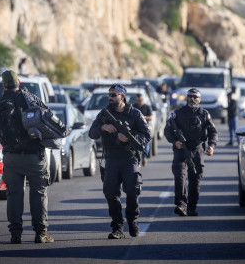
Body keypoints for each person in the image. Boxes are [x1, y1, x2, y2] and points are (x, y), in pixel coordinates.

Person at [0, 70, 54, 245]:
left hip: (11, 157)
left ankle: (15, 235)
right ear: (19, 82)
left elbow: (0, 129)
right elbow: (47, 118)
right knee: (39, 194)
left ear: (4, 85)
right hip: (34, 155)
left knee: (14, 195)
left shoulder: (0, 102)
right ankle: (41, 234)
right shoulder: (31, 98)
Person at [89, 84, 150, 239]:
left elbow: (147, 134)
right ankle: (117, 227)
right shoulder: (104, 114)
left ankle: (132, 220)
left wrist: (130, 139)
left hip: (129, 158)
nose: (110, 97)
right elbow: (91, 133)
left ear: (122, 97)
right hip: (111, 159)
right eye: (109, 94)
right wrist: (103, 127)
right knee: (111, 193)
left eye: (114, 95)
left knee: (132, 191)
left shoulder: (135, 114)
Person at [164, 88, 218, 217]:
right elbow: (168, 130)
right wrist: (175, 142)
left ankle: (192, 207)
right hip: (181, 150)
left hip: (197, 150)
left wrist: (211, 145)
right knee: (180, 177)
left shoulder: (204, 114)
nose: (192, 99)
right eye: (190, 96)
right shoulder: (178, 113)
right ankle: (181, 205)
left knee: (195, 179)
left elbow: (213, 131)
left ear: (199, 99)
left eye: (195, 97)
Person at [133, 93, 153, 166]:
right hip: (136, 129)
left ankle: (144, 157)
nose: (139, 101)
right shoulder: (134, 107)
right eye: (138, 100)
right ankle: (137, 158)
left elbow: (151, 117)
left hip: (145, 129)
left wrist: (143, 117)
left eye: (140, 100)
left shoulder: (147, 107)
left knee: (146, 144)